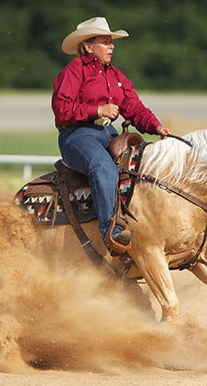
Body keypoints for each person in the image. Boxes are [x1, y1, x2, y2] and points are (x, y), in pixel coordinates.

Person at [52, 16, 171, 254]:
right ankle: (111, 231)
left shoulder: (116, 75)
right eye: (105, 41)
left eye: (111, 42)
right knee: (103, 167)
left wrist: (156, 127)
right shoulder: (74, 71)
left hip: (107, 132)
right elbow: (61, 109)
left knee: (143, 164)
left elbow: (134, 108)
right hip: (76, 136)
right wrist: (96, 110)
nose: (112, 46)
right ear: (88, 46)